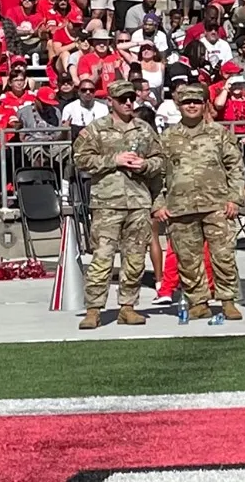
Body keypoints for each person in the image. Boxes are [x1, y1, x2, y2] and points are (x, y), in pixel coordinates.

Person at [72, 79, 166, 330]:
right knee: (102, 258)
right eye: (122, 99)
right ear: (110, 101)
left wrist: (145, 165)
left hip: (137, 201)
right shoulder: (97, 129)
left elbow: (161, 161)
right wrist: (114, 160)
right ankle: (93, 309)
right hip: (107, 202)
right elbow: (80, 159)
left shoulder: (144, 130)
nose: (127, 103)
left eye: (131, 99)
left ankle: (127, 306)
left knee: (135, 258)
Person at [155, 83, 245, 321]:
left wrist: (235, 198)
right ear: (179, 106)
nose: (192, 106)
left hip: (217, 205)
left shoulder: (219, 133)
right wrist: (158, 204)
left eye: (196, 101)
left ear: (204, 104)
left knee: (223, 255)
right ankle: (198, 301)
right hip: (180, 207)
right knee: (188, 258)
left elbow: (235, 167)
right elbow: (155, 175)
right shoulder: (167, 137)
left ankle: (227, 301)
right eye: (187, 102)